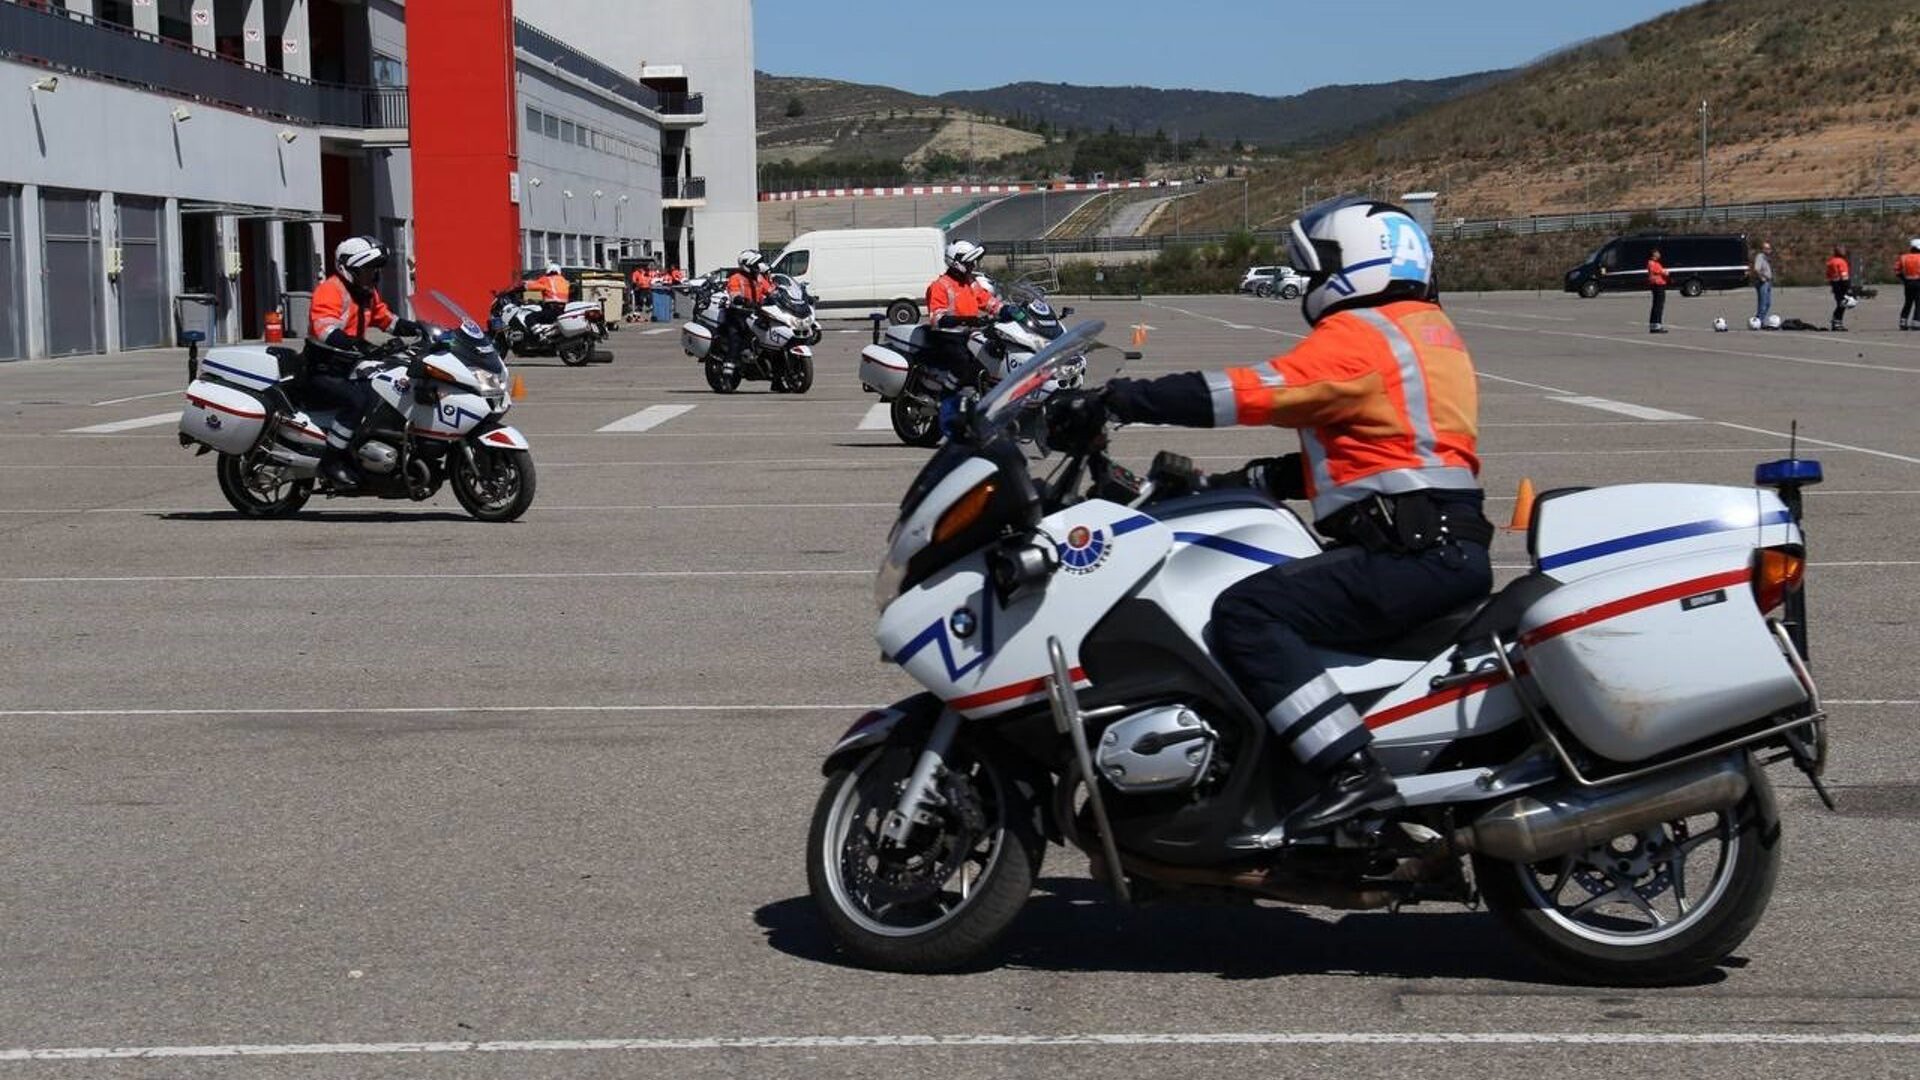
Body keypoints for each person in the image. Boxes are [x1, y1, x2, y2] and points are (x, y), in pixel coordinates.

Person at [1049, 195, 1492, 839]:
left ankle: (1351, 772)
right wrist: (1235, 483)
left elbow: (1255, 391)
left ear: (1356, 262)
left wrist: (1120, 399)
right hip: (1436, 542)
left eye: (1318, 269)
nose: (1310, 285)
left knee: (1247, 614)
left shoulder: (1365, 333)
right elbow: (1375, 452)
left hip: (1411, 553)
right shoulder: (1423, 332)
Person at [305, 235, 421, 489]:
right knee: (358, 401)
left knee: (392, 388)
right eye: (366, 269)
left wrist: (417, 327)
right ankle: (331, 462)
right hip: (322, 369)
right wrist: (356, 345)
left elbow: (386, 319)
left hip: (350, 365)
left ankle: (374, 452)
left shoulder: (366, 292)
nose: (372, 275)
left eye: (374, 269)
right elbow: (324, 327)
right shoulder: (330, 290)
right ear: (349, 269)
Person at [923, 239, 1000, 388]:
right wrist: (965, 320)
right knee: (964, 366)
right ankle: (948, 397)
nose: (973, 266)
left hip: (969, 334)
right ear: (956, 262)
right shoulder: (940, 286)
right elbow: (937, 319)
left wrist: (1008, 309)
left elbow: (987, 301)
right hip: (948, 337)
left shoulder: (970, 282)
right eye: (969, 262)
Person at [720, 250, 774, 361]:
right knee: (736, 341)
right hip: (738, 314)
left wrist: (781, 295)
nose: (758, 266)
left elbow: (770, 290)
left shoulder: (758, 277)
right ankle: (729, 370)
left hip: (756, 312)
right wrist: (743, 300)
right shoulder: (736, 277)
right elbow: (734, 295)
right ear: (747, 264)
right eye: (755, 264)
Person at [524, 262, 570, 337]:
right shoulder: (564, 281)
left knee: (529, 317)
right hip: (561, 310)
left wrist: (523, 285)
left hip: (551, 310)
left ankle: (539, 335)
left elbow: (532, 286)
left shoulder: (546, 279)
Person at [1897, 239, 1920, 331]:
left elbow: (1897, 270)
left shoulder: (1903, 257)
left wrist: (1904, 279)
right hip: (1918, 282)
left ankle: (1903, 321)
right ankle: (1916, 322)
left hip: (1908, 282)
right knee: (1918, 303)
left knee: (1908, 302)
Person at [1827, 245, 1851, 331]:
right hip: (1841, 284)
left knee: (1840, 304)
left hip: (1835, 284)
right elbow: (1844, 275)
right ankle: (1837, 322)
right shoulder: (1841, 262)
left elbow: (1829, 275)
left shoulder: (1831, 261)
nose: (1844, 251)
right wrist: (1848, 287)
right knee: (1842, 304)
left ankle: (1836, 322)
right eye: (1842, 249)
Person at [1750, 241, 1774, 327]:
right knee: (1763, 303)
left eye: (1769, 249)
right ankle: (1759, 321)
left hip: (1768, 282)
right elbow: (1756, 269)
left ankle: (1759, 320)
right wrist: (1762, 278)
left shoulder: (1767, 258)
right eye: (1767, 248)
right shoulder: (1760, 257)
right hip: (1763, 283)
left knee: (1767, 303)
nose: (1769, 250)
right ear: (1763, 249)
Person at [1646, 247, 1669, 333]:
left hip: (1658, 285)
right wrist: (1665, 272)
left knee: (1657, 305)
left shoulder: (1655, 263)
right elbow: (1661, 272)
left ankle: (1654, 325)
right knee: (1658, 305)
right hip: (1657, 285)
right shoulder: (1652, 263)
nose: (1659, 254)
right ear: (1654, 254)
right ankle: (1656, 325)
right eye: (1657, 252)